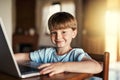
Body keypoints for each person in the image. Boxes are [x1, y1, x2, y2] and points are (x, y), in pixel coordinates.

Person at [15, 12, 102, 76]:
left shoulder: (75, 53)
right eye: (54, 33)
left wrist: (63, 66)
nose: (58, 37)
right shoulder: (47, 53)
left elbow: (97, 67)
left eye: (63, 32)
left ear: (74, 33)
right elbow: (24, 56)